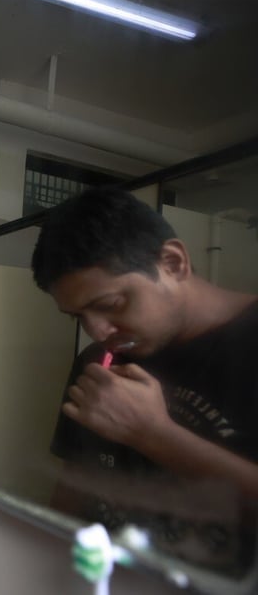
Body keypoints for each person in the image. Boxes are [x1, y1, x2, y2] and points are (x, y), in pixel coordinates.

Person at [31, 187, 258, 572]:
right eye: (78, 316)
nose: (98, 331)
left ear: (173, 262)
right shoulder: (98, 359)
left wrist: (153, 434)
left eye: (110, 305)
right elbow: (76, 481)